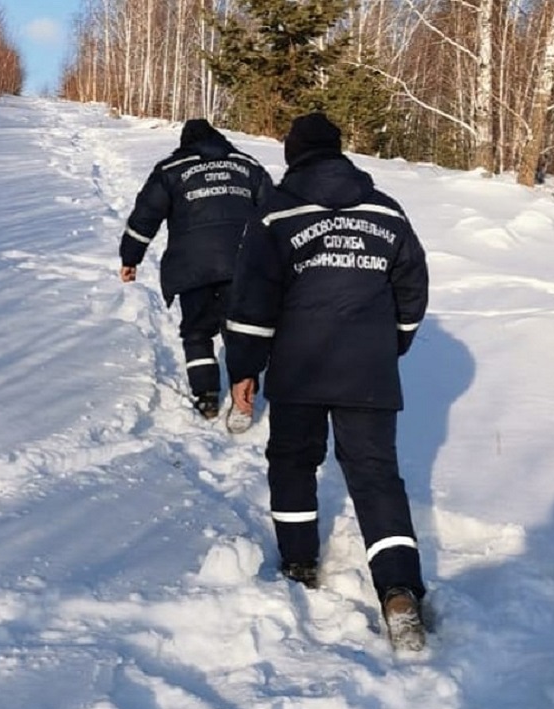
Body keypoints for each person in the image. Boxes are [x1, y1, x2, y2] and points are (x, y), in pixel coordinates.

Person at [223, 112, 431, 651]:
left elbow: (251, 301)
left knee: (293, 461)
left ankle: (297, 562)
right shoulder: (387, 211)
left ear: (293, 155)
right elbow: (412, 288)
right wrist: (394, 343)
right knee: (377, 477)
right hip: (369, 371)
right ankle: (400, 590)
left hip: (300, 367)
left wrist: (244, 367)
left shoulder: (275, 214)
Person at [119, 118, 272, 423]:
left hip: (191, 267)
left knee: (197, 330)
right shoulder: (248, 166)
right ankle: (245, 387)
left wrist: (130, 258)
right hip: (242, 263)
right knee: (239, 330)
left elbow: (146, 216)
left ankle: (206, 396)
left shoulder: (171, 169)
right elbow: (273, 213)